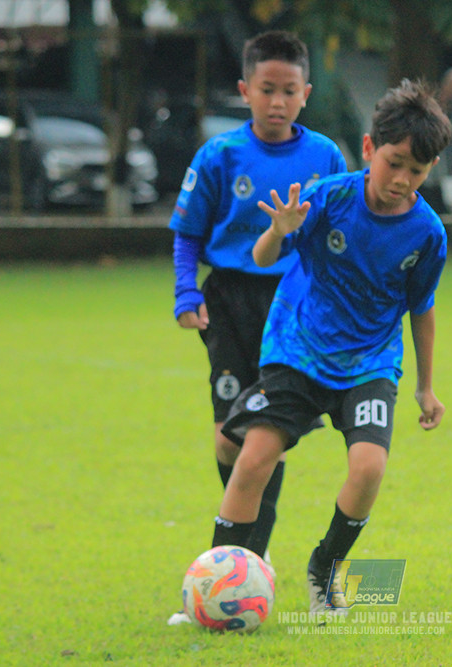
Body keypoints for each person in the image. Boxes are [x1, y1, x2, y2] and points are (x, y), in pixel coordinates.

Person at [208, 79, 452, 617]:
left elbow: (423, 308)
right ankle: (221, 582)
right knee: (250, 459)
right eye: (395, 163)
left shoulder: (427, 233)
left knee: (368, 468)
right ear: (369, 149)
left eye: (418, 170)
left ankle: (324, 569)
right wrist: (280, 230)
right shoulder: (329, 197)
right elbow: (265, 253)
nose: (403, 179)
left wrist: (426, 385)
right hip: (298, 350)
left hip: (370, 362)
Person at [169, 32, 347, 580]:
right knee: (229, 438)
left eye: (288, 90)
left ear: (305, 94)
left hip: (292, 304)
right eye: (266, 89)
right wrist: (186, 291)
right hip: (228, 301)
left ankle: (248, 557)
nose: (277, 101)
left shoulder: (324, 156)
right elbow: (188, 232)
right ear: (245, 90)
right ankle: (249, 547)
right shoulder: (219, 155)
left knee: (266, 434)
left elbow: (340, 233)